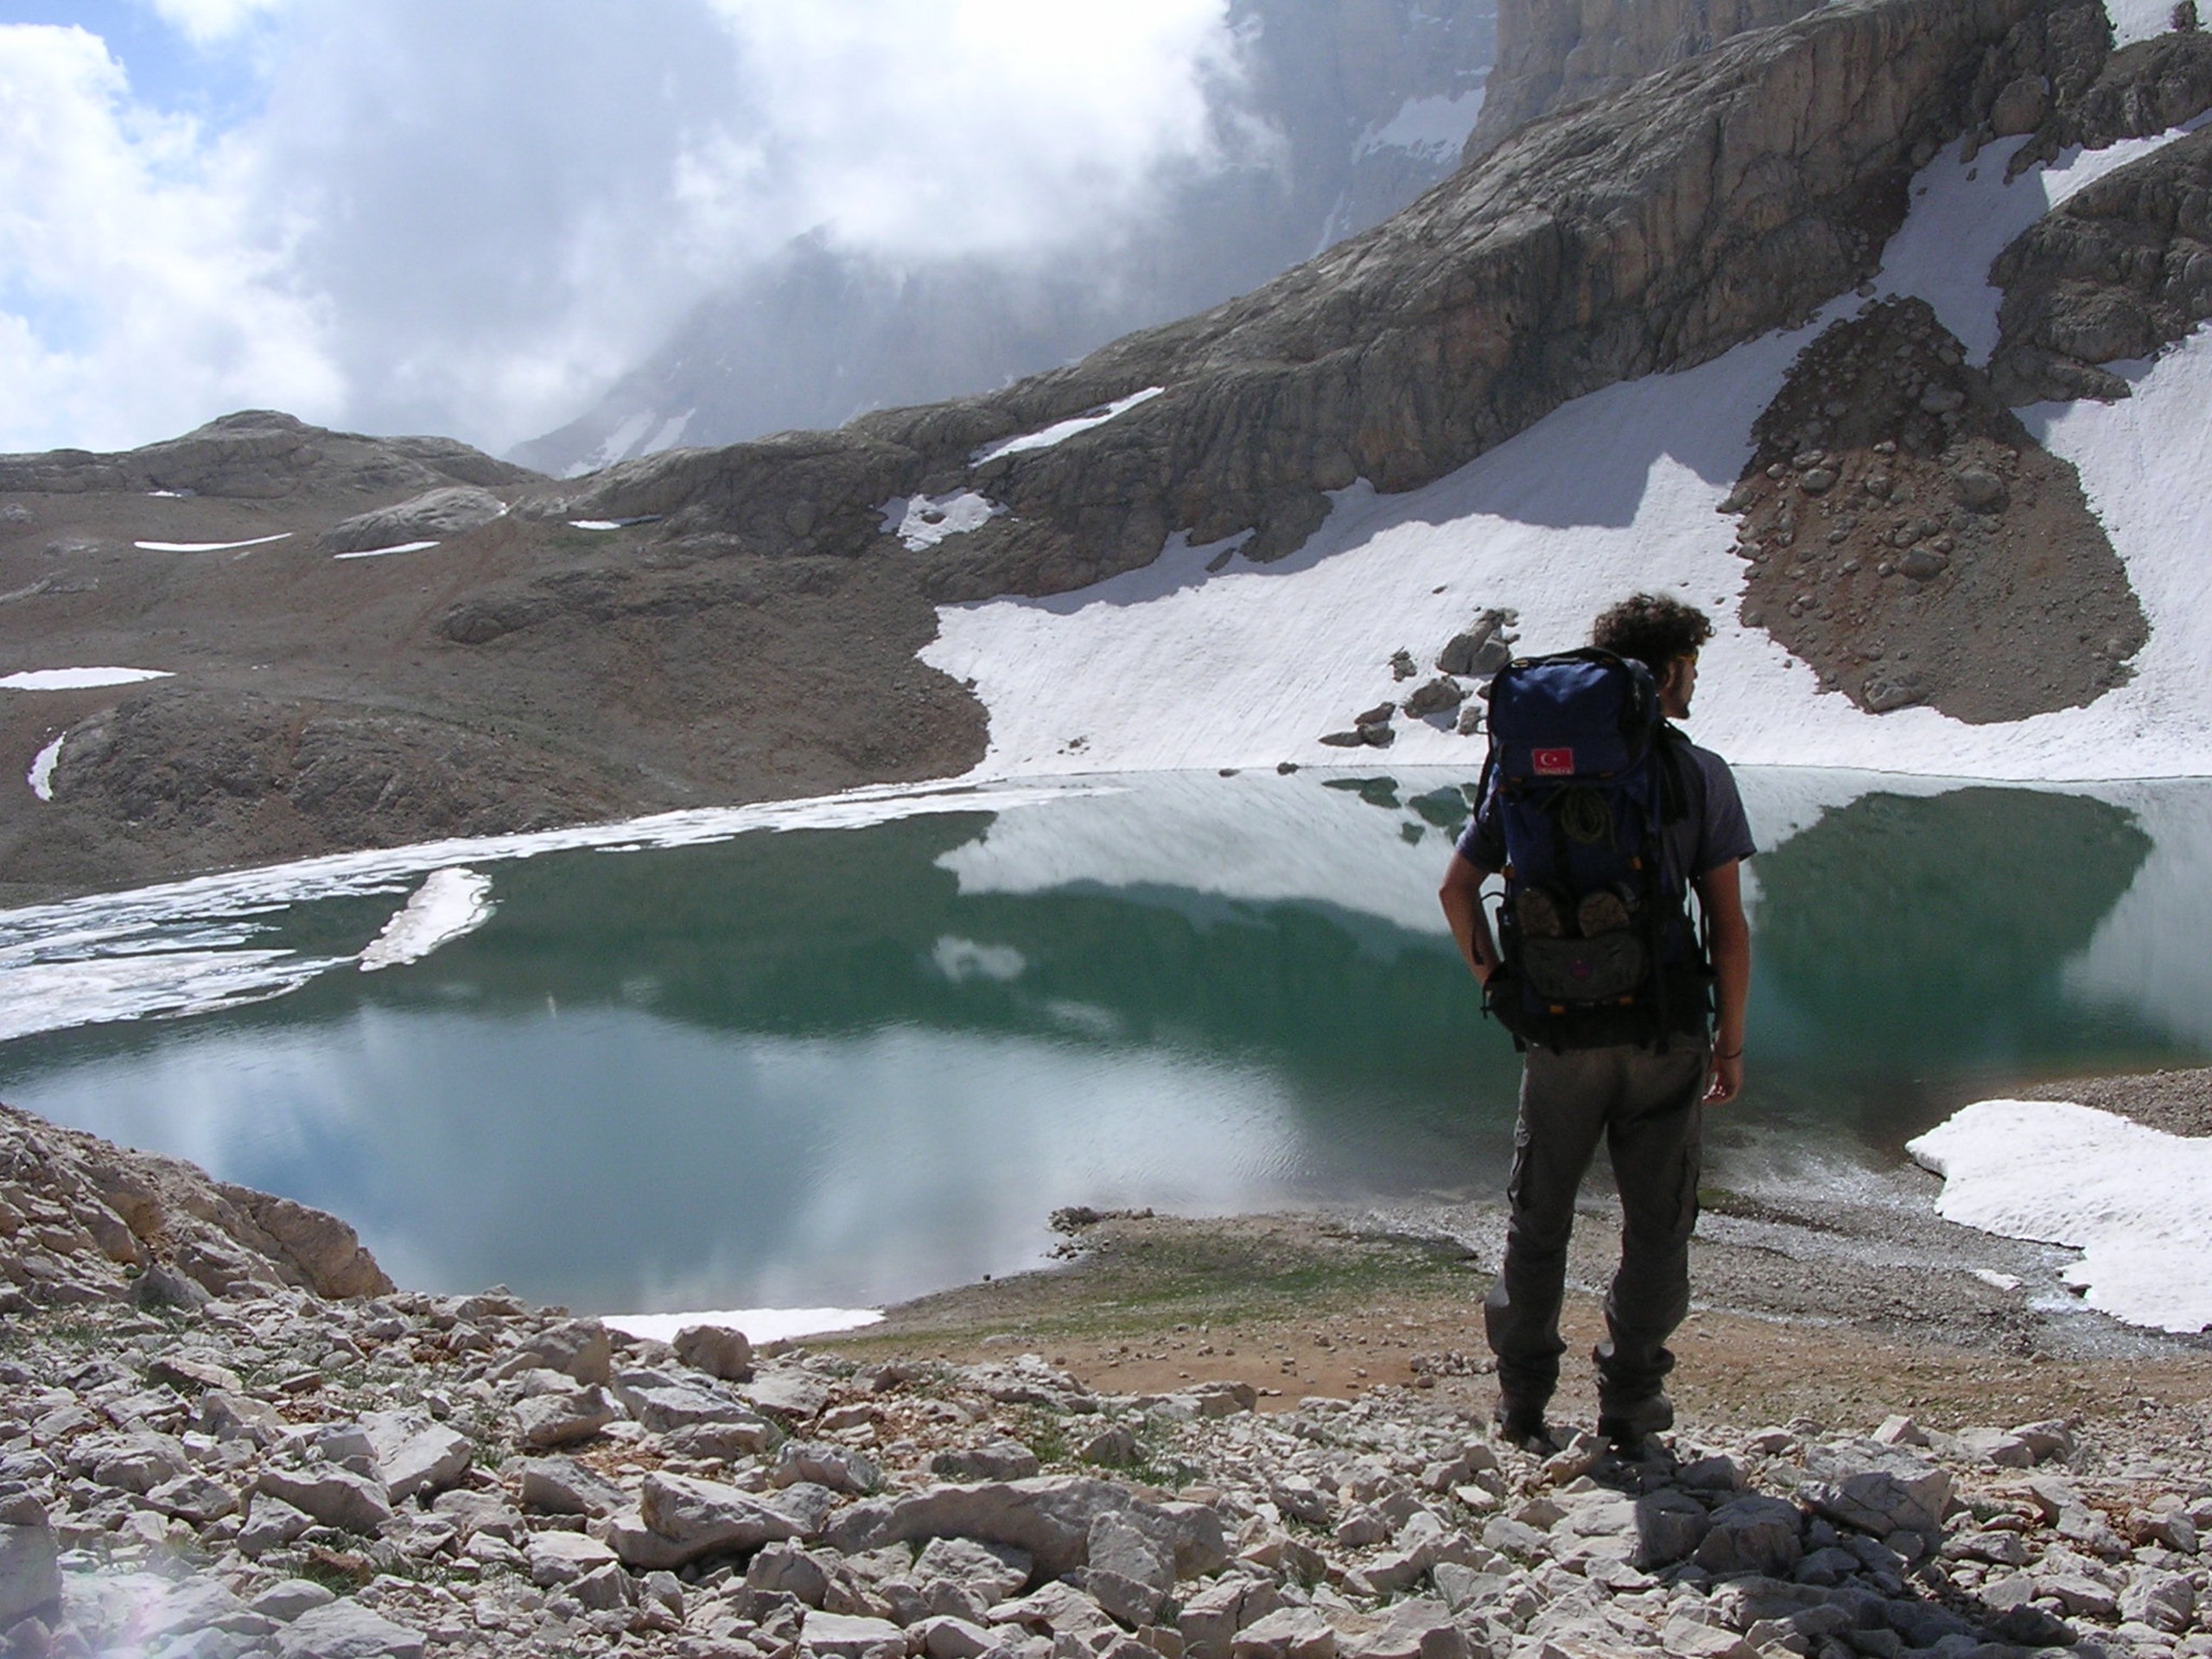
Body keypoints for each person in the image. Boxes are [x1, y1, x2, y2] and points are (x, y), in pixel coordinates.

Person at [1437, 594, 1754, 1452]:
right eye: (1691, 669)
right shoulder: (1695, 773)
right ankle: (1629, 1401)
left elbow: (1455, 889)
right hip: (1664, 1031)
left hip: (1555, 1033)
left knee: (1539, 1217)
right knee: (1657, 1222)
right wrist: (1728, 1043)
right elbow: (1727, 929)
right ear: (1670, 672)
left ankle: (1522, 1404)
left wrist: (1500, 985)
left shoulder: (1525, 772)